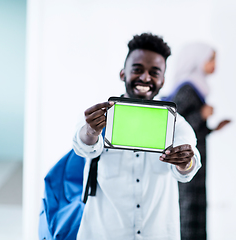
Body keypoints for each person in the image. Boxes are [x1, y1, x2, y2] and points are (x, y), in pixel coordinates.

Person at [73, 33, 202, 240]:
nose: (145, 78)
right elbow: (83, 146)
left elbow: (188, 168)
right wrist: (91, 131)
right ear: (123, 73)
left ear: (162, 80)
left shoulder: (176, 123)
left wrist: (184, 162)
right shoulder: (100, 115)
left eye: (154, 72)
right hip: (102, 234)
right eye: (137, 70)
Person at [164, 43, 230, 240]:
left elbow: (193, 130)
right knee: (188, 208)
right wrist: (201, 115)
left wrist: (211, 127)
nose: (214, 64)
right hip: (185, 161)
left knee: (197, 206)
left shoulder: (197, 87)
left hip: (194, 160)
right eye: (211, 59)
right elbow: (174, 125)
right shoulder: (188, 88)